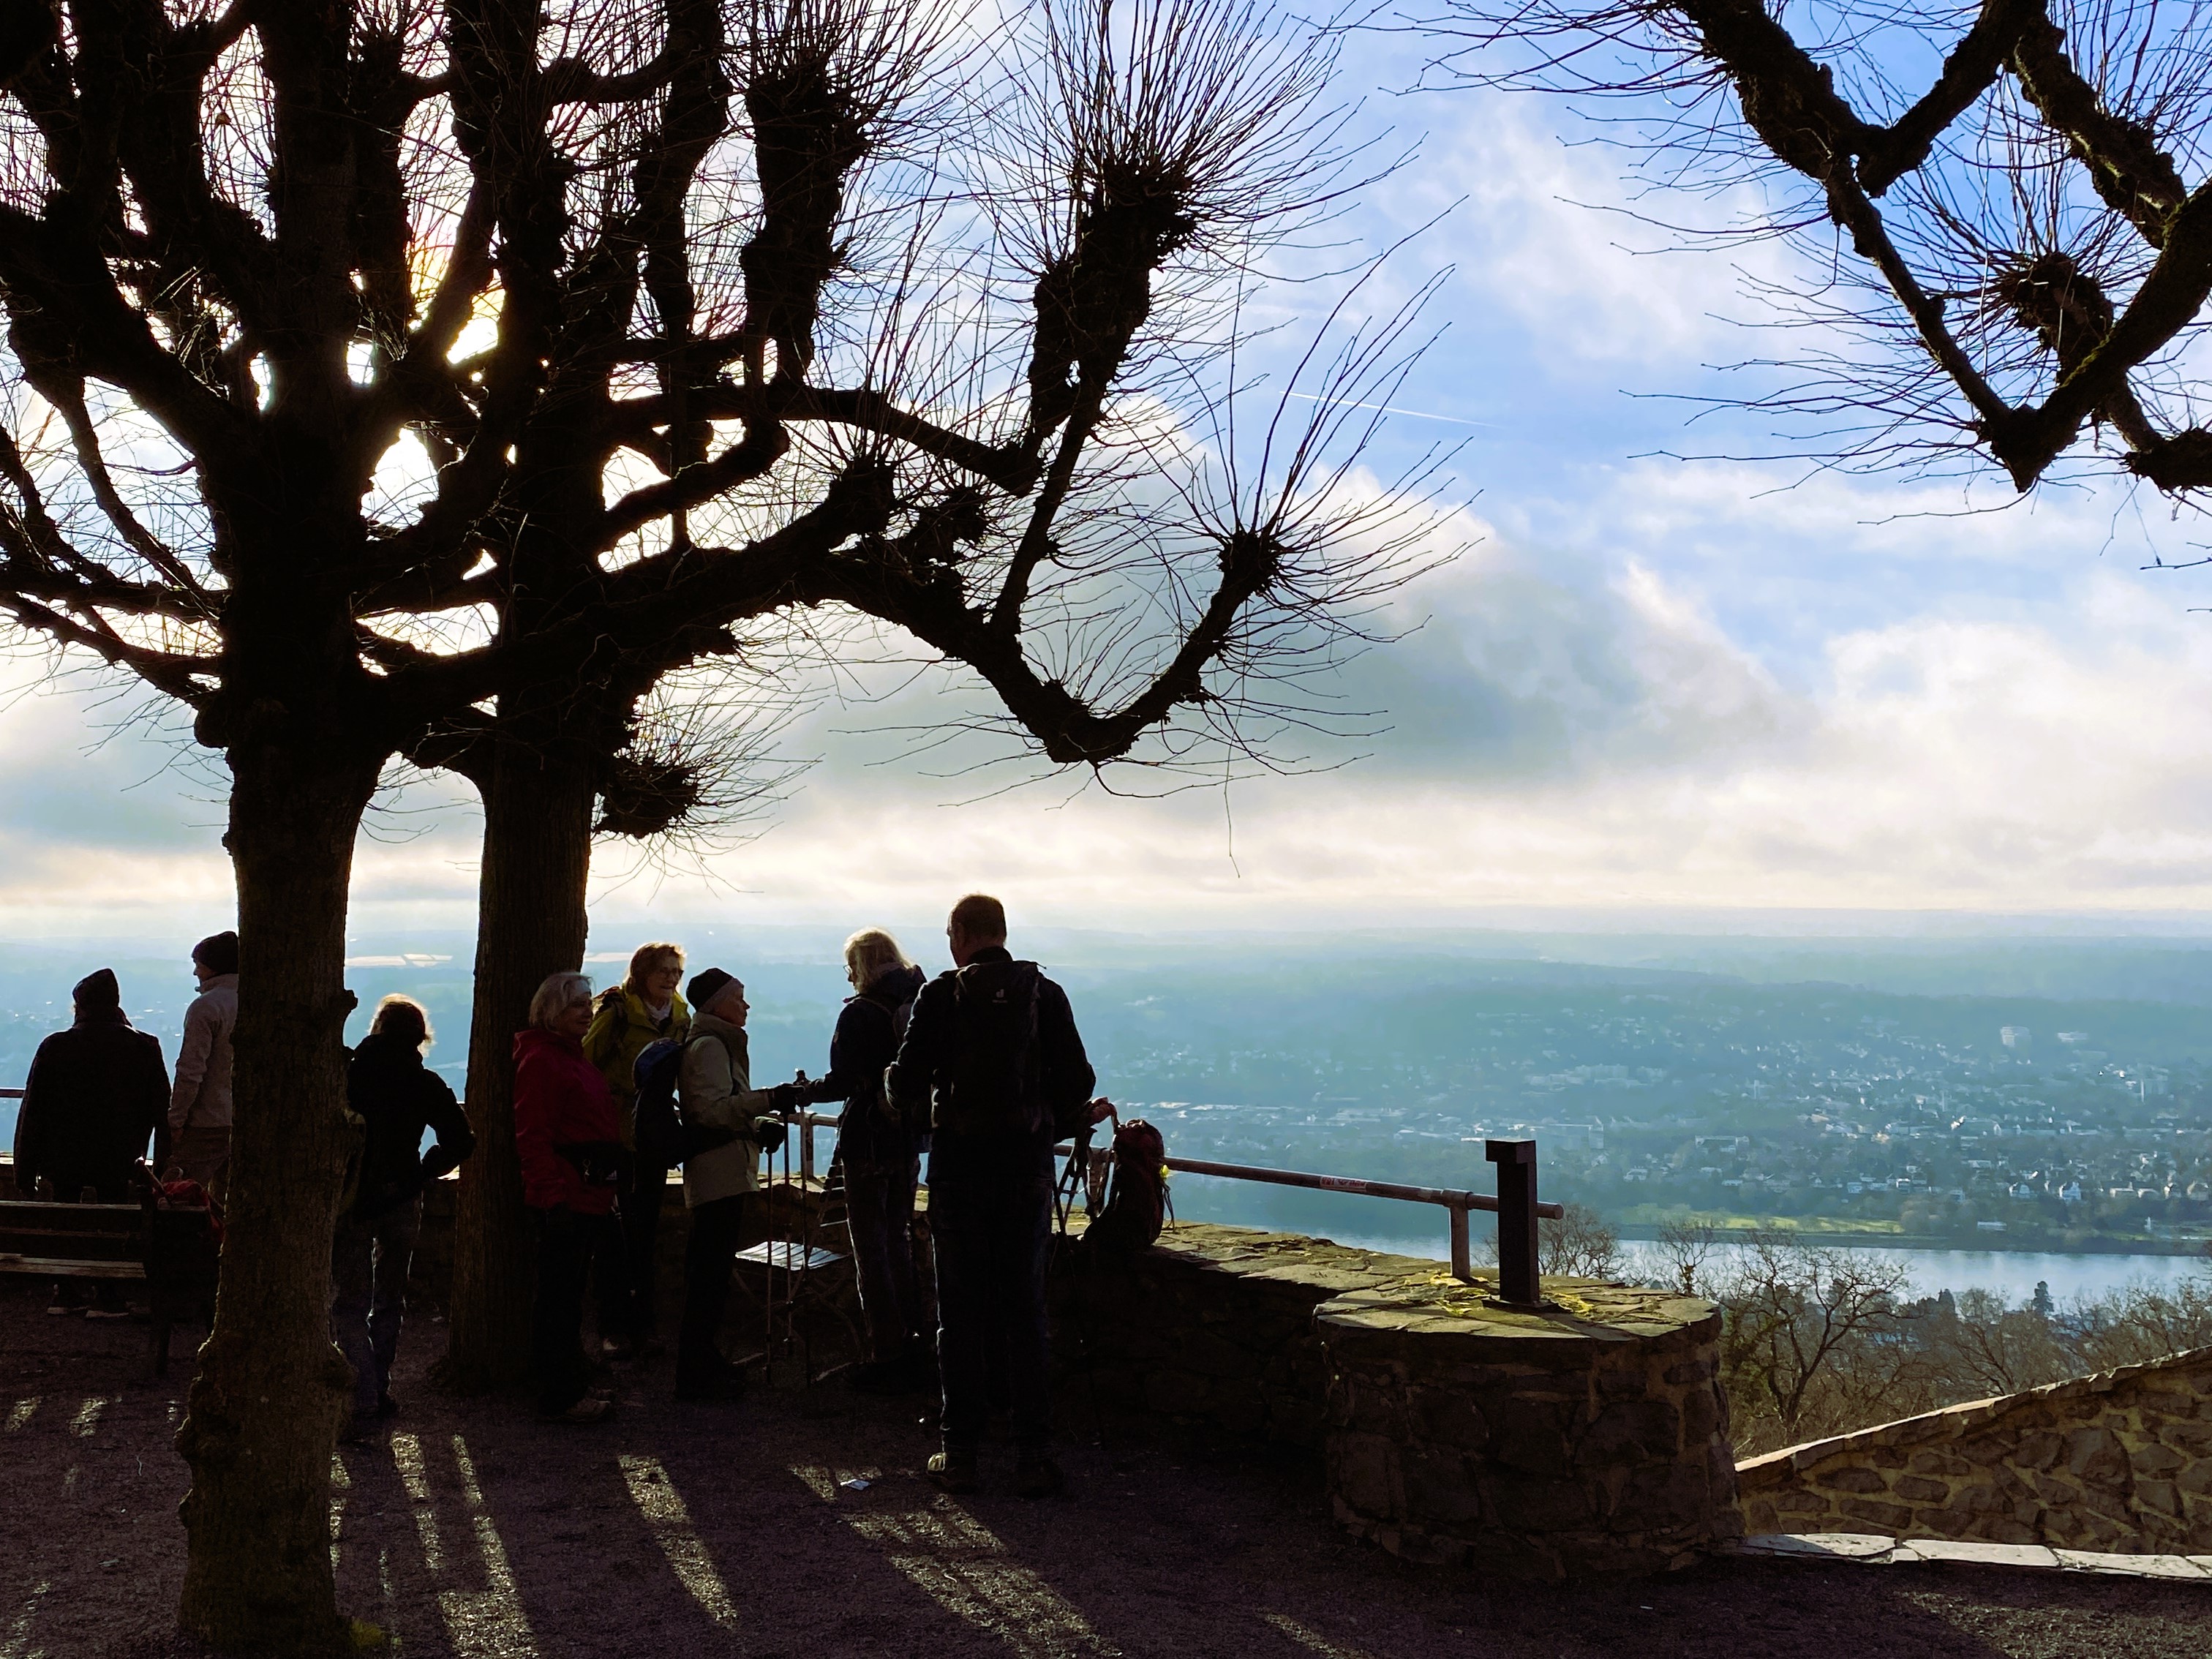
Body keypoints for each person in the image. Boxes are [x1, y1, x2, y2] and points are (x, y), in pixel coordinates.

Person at [885, 893, 1110, 1498]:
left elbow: (904, 1082)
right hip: (1026, 1172)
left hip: (958, 1173)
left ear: (960, 934)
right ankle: (1034, 1455)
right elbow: (1079, 1081)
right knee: (1025, 1312)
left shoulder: (939, 995)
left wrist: (905, 1089)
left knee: (959, 1315)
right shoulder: (1045, 994)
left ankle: (959, 1452)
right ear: (1002, 932)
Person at [331, 996, 475, 1442]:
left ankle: (363, 1393)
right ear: (420, 1037)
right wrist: (423, 1170)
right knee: (389, 1296)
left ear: (377, 1029)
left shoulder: (349, 1075)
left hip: (354, 1199)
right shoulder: (424, 1082)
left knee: (349, 1302)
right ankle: (381, 1385)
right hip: (402, 1196)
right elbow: (460, 1141)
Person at [799, 930, 928, 1392]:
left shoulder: (859, 1014)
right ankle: (917, 1343)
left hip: (867, 1143)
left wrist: (803, 1092)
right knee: (900, 1242)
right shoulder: (921, 1001)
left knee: (872, 1251)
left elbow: (843, 1082)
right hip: (909, 1142)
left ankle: (886, 1353)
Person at [12, 968, 170, 1316]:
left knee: (66, 1217)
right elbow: (163, 1110)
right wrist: (160, 1165)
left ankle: (66, 1289)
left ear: (79, 1006)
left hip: (62, 1155)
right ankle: (108, 1293)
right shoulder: (144, 1046)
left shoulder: (56, 1046)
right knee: (114, 1218)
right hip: (121, 1156)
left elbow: (33, 1110)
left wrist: (24, 1168)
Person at [674, 967, 800, 1402]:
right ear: (717, 1005)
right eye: (739, 998)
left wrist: (758, 1119)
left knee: (708, 1269)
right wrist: (770, 1100)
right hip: (719, 1172)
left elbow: (720, 1107)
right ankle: (695, 1369)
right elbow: (711, 1111)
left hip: (720, 1169)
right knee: (709, 1273)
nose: (746, 1006)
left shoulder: (712, 1043)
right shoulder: (710, 1046)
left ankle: (700, 1363)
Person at [514, 971, 623, 1423]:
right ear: (551, 1012)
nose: (587, 1011)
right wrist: (552, 1197)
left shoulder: (570, 1057)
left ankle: (570, 1378)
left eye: (588, 1004)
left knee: (571, 1294)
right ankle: (559, 1393)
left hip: (588, 1193)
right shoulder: (543, 1061)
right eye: (576, 1004)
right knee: (559, 1299)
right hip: (566, 1196)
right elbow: (532, 1134)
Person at [584, 942, 691, 1359]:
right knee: (614, 1236)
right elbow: (588, 1064)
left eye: (676, 973)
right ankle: (612, 1326)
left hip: (652, 1136)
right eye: (663, 971)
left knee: (645, 1232)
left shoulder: (681, 1017)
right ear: (642, 972)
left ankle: (642, 1326)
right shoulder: (618, 1012)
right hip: (616, 1135)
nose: (670, 979)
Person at [168, 930, 239, 1202]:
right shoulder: (258, 1003)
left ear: (212, 967)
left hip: (206, 1123)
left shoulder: (206, 1007)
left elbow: (190, 1071)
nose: (196, 972)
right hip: (244, 1120)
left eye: (199, 965)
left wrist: (177, 1119)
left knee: (178, 1197)